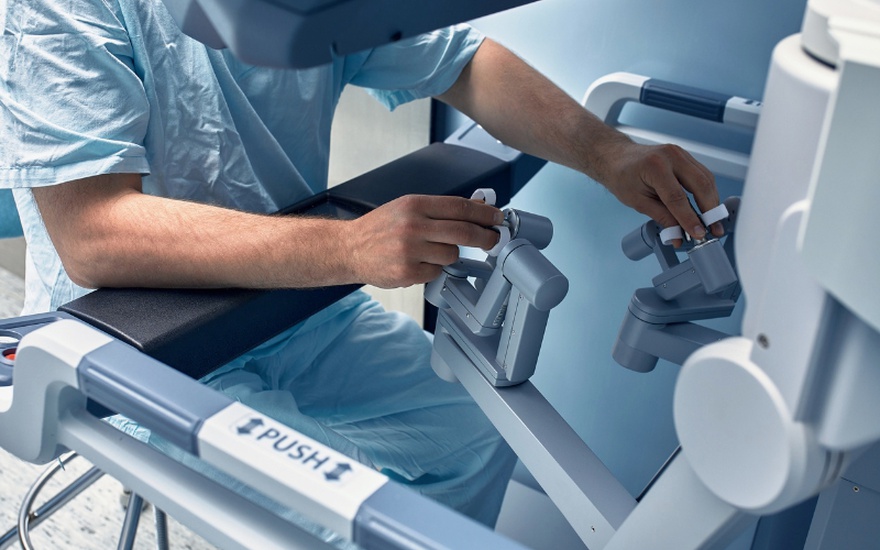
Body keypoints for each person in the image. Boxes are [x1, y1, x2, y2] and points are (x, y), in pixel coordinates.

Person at [0, 0, 723, 534]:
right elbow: (93, 233)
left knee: (477, 439)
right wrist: (349, 249)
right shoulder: (62, 8)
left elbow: (466, 63)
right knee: (351, 516)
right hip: (133, 337)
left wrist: (607, 153)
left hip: (293, 309)